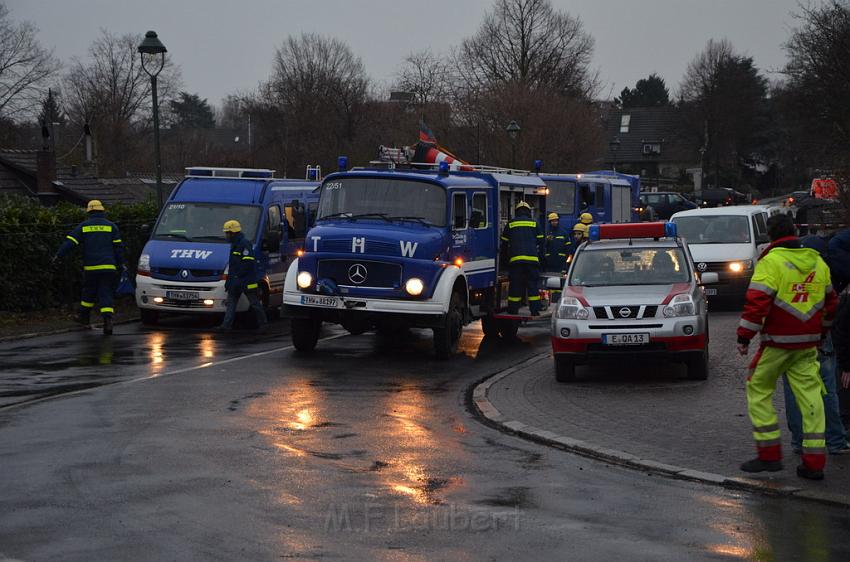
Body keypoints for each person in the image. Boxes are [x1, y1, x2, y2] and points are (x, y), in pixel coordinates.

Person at [737, 214, 837, 480]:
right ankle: (814, 463)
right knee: (812, 397)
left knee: (758, 389)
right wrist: (821, 331)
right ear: (795, 232)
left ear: (770, 237)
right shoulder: (818, 262)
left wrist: (744, 337)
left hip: (777, 344)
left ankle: (769, 456)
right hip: (807, 345)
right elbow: (831, 304)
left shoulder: (771, 262)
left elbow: (757, 302)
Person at [782, 235, 850, 455]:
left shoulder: (783, 271)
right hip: (818, 336)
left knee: (793, 391)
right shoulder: (822, 272)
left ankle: (799, 441)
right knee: (827, 389)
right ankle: (835, 441)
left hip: (787, 340)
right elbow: (832, 306)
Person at [54, 200, 124, 335]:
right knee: (106, 292)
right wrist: (120, 263)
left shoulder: (83, 226)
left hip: (91, 268)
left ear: (89, 212)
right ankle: (107, 320)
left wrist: (58, 256)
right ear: (102, 211)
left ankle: (83, 317)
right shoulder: (112, 226)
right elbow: (118, 248)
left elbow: (70, 243)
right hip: (109, 267)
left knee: (89, 291)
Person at [218, 219, 267, 331]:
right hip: (236, 281)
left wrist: (237, 277)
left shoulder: (244, 244)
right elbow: (234, 266)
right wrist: (229, 282)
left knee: (254, 303)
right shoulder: (235, 244)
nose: (226, 235)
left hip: (246, 281)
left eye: (227, 233)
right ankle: (226, 326)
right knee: (231, 304)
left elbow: (248, 262)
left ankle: (263, 324)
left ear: (233, 233)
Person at [500, 201, 542, 315]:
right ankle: (535, 310)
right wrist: (542, 260)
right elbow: (541, 242)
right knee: (532, 285)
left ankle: (513, 310)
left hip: (516, 262)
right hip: (532, 261)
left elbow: (504, 244)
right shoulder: (534, 223)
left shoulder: (511, 224)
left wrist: (504, 261)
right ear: (529, 211)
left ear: (516, 212)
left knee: (515, 285)